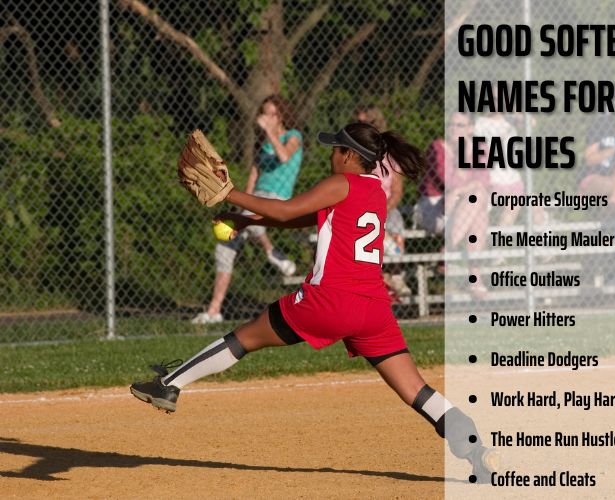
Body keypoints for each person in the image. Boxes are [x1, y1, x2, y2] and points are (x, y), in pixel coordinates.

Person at [130, 122, 499, 482]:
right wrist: (244, 219)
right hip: (373, 309)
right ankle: (476, 451)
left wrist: (230, 193)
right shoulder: (374, 191)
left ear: (350, 156)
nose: (331, 156)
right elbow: (301, 217)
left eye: (336, 150)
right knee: (417, 391)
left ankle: (169, 382)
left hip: (329, 300)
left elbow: (289, 210)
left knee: (245, 337)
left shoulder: (341, 182)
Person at [192, 95, 303, 324]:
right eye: (263, 112)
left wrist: (270, 131)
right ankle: (214, 310)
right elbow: (253, 177)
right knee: (225, 246)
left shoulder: (293, 137)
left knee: (249, 222)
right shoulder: (262, 145)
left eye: (271, 113)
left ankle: (271, 251)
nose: (265, 117)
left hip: (277, 197)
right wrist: (242, 202)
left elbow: (283, 156)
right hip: (258, 197)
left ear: (280, 116)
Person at [423, 112, 490, 296]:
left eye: (460, 125)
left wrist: (460, 191)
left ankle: (448, 250)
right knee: (477, 207)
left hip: (463, 205)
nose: (453, 129)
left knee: (477, 202)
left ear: (470, 129)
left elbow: (484, 180)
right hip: (435, 207)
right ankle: (475, 277)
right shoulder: (438, 148)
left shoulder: (479, 147)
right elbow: (446, 183)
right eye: (451, 124)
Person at [354, 106, 411, 297]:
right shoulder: (353, 153)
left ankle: (394, 275)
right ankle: (379, 279)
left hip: (387, 206)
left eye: (364, 124)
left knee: (395, 226)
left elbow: (397, 191)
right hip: (362, 208)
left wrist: (383, 210)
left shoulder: (391, 155)